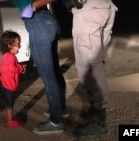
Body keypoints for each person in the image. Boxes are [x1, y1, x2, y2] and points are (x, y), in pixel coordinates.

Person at [10, 0, 67, 135]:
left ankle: (56, 121)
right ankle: (61, 108)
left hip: (38, 23)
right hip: (47, 21)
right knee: (54, 71)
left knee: (47, 75)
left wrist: (32, 6)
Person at [64, 0, 118, 137]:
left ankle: (99, 120)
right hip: (105, 6)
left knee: (88, 66)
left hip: (89, 8)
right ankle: (97, 109)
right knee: (96, 62)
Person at [0, 30, 27, 128]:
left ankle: (10, 118)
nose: (19, 46)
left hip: (4, 82)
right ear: (9, 45)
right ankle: (10, 121)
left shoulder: (7, 56)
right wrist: (21, 68)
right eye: (17, 44)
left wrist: (19, 67)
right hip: (7, 84)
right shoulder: (10, 57)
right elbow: (11, 69)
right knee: (10, 102)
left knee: (10, 101)